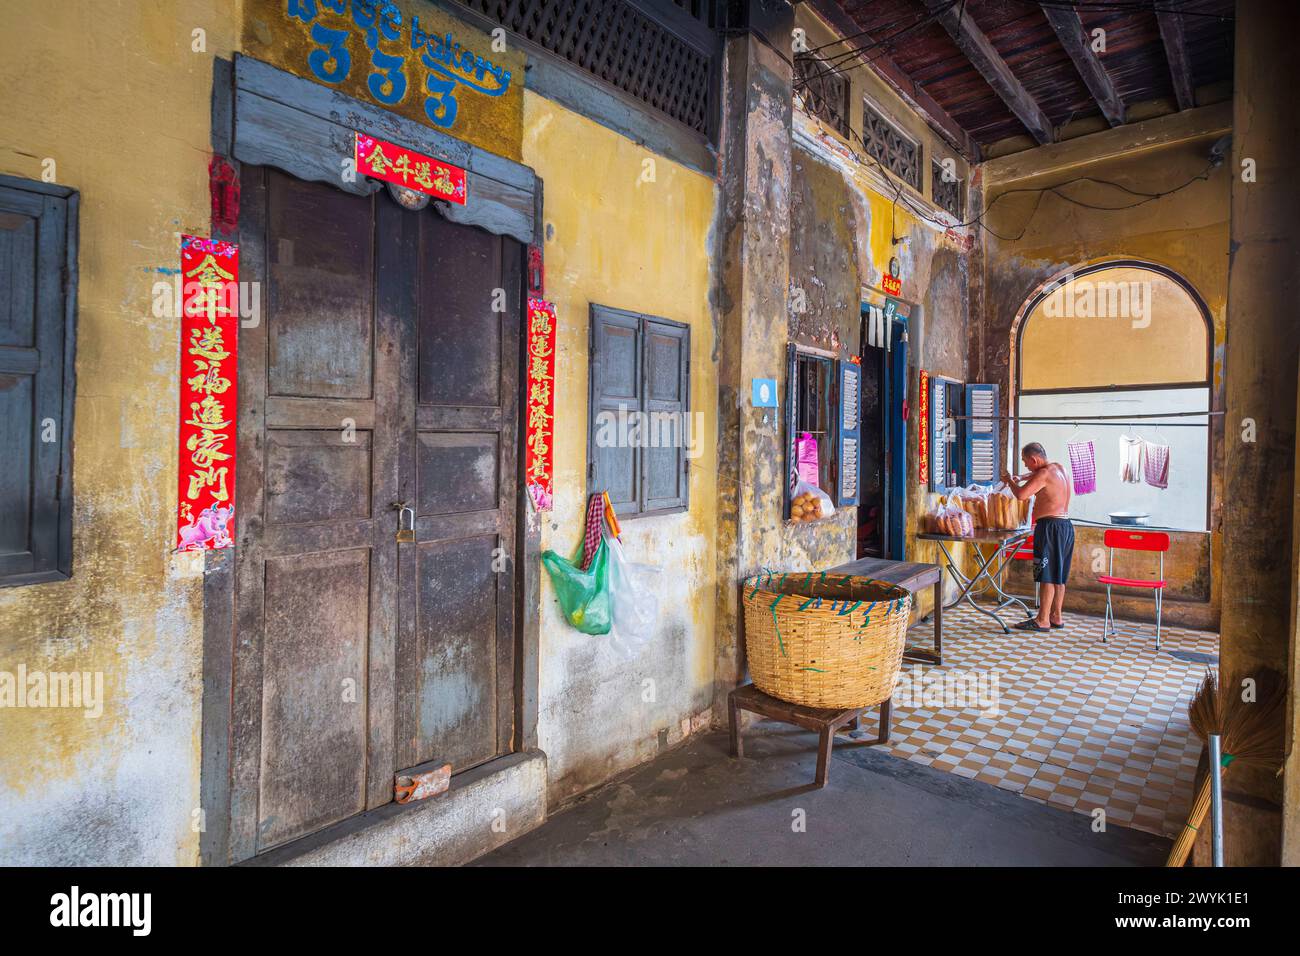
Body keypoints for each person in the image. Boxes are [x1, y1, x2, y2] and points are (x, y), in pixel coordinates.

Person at [1001, 442, 1073, 632]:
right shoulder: (1059, 468)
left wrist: (1010, 481)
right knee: (1059, 575)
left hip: (1050, 527)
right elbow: (1037, 474)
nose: (1026, 466)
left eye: (1026, 462)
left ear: (1034, 459)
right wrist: (1022, 476)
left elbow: (1022, 495)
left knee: (1047, 574)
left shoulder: (1043, 474)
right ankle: (1056, 616)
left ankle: (1042, 620)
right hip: (1065, 526)